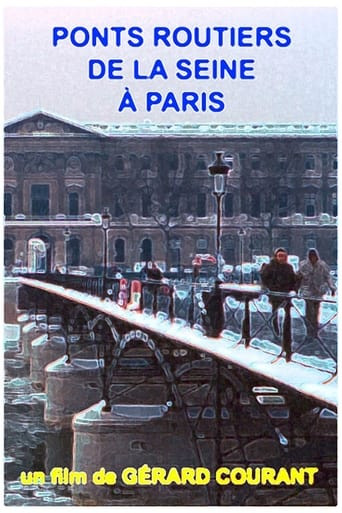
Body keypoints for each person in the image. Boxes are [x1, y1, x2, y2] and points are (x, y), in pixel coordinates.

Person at [260, 248, 299, 359]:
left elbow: (293, 280)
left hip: (286, 294)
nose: (282, 258)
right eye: (280, 256)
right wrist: (269, 287)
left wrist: (294, 288)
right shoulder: (270, 266)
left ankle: (286, 334)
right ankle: (276, 330)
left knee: (287, 314)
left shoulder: (289, 267)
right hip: (275, 293)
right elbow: (264, 277)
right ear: (276, 256)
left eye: (283, 256)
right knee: (275, 312)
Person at [298, 248, 336, 336]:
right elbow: (299, 278)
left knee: (316, 312)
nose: (312, 258)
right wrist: (297, 288)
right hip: (307, 292)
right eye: (311, 256)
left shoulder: (322, 265)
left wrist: (332, 288)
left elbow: (328, 277)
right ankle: (309, 330)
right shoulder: (303, 265)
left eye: (314, 256)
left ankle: (314, 329)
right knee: (309, 312)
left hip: (318, 292)